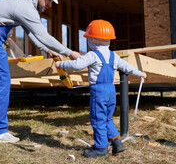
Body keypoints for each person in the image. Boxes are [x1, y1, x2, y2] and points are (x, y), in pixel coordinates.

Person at [0, 0, 81, 143]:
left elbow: (32, 34)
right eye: (49, 0)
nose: (50, 5)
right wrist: (69, 52)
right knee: (1, 81)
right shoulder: (24, 6)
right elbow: (42, 34)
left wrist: (48, 50)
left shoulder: (20, 1)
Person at [55, 20, 147, 158]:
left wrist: (60, 63)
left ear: (91, 39)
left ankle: (101, 148)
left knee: (98, 119)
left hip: (99, 91)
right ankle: (116, 142)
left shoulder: (92, 55)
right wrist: (140, 73)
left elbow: (78, 64)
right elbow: (126, 67)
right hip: (111, 90)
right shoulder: (114, 56)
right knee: (107, 118)